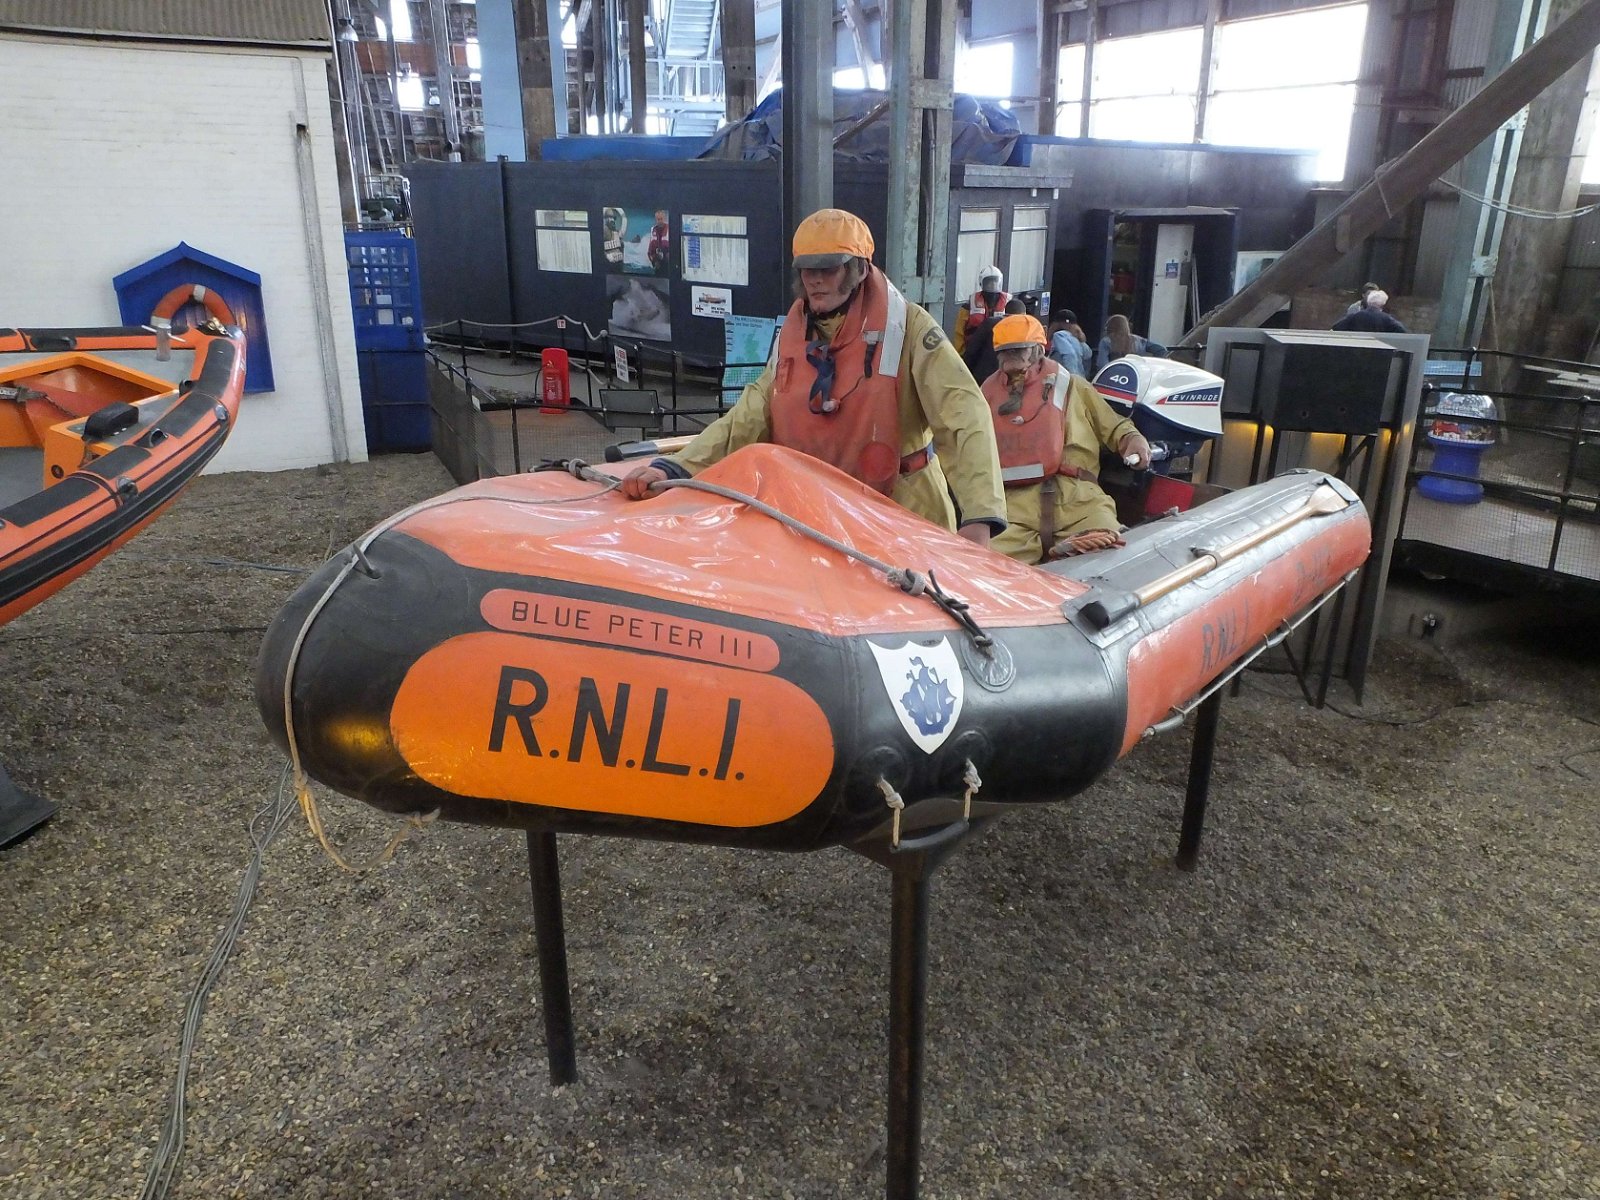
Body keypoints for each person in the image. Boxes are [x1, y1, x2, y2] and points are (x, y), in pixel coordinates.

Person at [620, 208, 1007, 547]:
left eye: (828, 268)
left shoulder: (909, 327)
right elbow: (750, 416)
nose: (815, 279)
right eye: (807, 269)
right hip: (818, 514)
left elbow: (963, 413)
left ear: (858, 270)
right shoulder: (792, 335)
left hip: (906, 514)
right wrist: (677, 467)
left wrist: (979, 517)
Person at [979, 313, 1152, 564]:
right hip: (1015, 512)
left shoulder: (1075, 386)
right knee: (983, 565)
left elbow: (1114, 426)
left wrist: (1132, 439)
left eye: (1019, 352)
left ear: (1039, 351)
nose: (1011, 361)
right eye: (1005, 353)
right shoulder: (986, 397)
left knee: (1112, 555)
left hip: (1079, 503)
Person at [962, 298, 1027, 385]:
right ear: (1023, 314)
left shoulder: (990, 323)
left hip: (982, 377)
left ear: (1005, 311)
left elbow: (972, 351)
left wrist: (964, 373)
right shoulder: (1027, 330)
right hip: (1007, 381)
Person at [951, 265, 1009, 356]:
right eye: (989, 282)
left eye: (995, 282)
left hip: (1000, 350)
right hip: (975, 349)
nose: (993, 285)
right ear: (982, 283)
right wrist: (960, 355)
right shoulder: (969, 306)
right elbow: (959, 333)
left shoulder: (1009, 304)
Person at [1094, 313, 1167, 373]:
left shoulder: (1106, 341)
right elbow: (1161, 350)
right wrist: (1151, 367)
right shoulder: (1138, 340)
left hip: (1114, 377)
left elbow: (1102, 365)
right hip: (1136, 374)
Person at [1333, 288, 1407, 333]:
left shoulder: (1355, 316)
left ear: (1368, 301)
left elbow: (1336, 327)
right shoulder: (1387, 319)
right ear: (1382, 304)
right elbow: (1402, 331)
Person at [1046, 308, 1092, 378]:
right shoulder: (1077, 339)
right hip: (1081, 381)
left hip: (1067, 382)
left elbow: (1070, 355)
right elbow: (1088, 355)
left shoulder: (1059, 335)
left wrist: (1072, 378)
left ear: (1056, 324)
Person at [647, 209, 671, 274]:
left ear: (664, 218)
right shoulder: (653, 230)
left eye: (661, 219)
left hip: (668, 265)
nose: (660, 221)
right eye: (658, 219)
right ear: (656, 219)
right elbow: (650, 251)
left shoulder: (670, 229)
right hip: (657, 265)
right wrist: (654, 262)